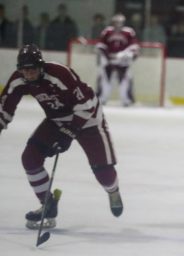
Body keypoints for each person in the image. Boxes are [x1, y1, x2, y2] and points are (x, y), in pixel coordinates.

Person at [0, 45, 123, 230]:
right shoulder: (19, 80)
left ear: (41, 66)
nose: (30, 74)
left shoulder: (59, 74)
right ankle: (48, 204)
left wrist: (69, 133)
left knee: (104, 172)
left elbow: (86, 105)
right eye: (25, 70)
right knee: (30, 158)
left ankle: (113, 191)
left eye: (33, 69)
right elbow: (5, 108)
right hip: (56, 120)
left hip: (88, 118)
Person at [96, 13, 139, 107]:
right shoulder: (107, 31)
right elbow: (101, 46)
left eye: (120, 22)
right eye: (116, 22)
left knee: (125, 80)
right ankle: (102, 98)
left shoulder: (129, 32)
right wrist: (107, 57)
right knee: (105, 80)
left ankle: (126, 99)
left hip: (122, 61)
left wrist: (124, 55)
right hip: (109, 60)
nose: (118, 24)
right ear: (113, 22)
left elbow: (134, 46)